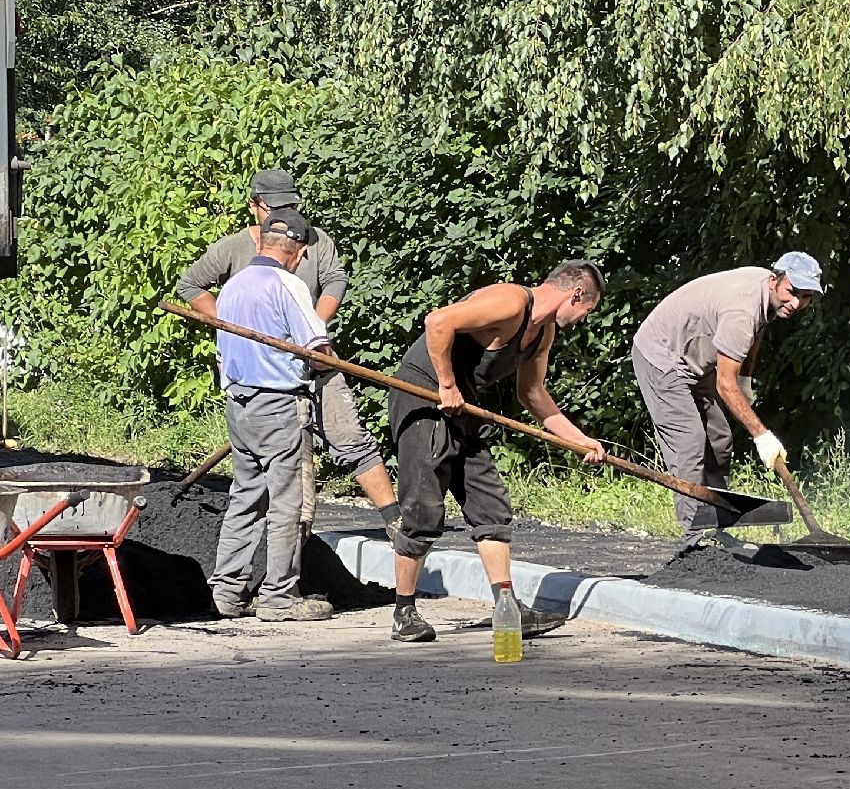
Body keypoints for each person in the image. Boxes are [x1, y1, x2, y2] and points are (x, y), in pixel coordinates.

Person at [387, 260, 607, 643]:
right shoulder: (510, 301)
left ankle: (508, 608)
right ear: (576, 294)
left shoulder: (543, 333)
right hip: (424, 395)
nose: (584, 319)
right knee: (423, 510)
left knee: (490, 507)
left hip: (464, 405)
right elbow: (438, 322)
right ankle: (404, 613)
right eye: (587, 309)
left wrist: (579, 440)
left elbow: (532, 394)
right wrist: (446, 385)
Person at [177, 169, 402, 536]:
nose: (285, 214)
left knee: (350, 435)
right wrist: (233, 324)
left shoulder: (314, 240)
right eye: (275, 208)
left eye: (290, 206)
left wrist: (313, 327)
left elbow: (335, 280)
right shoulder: (233, 249)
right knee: (280, 455)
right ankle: (285, 535)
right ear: (254, 206)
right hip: (264, 374)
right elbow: (190, 285)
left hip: (316, 359)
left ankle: (395, 521)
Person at [632, 252, 823, 548]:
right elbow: (724, 383)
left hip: (693, 361)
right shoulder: (742, 311)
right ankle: (695, 539)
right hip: (662, 357)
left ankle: (717, 527)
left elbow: (754, 334)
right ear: (775, 279)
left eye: (805, 297)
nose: (796, 303)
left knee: (719, 439)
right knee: (690, 442)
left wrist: (745, 379)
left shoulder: (766, 295)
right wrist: (762, 436)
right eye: (793, 292)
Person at [209, 208, 335, 622]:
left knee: (246, 497)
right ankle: (279, 596)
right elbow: (315, 347)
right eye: (304, 251)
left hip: (239, 405)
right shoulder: (289, 285)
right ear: (296, 249)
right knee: (286, 502)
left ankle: (228, 591)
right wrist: (328, 359)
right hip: (279, 405)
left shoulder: (233, 287)